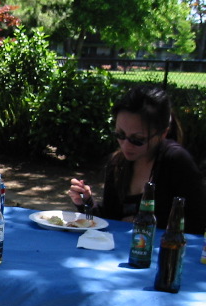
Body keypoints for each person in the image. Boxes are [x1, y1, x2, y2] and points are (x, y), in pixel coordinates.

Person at [69, 84, 206, 234]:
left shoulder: (177, 163)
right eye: (120, 134)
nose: (126, 145)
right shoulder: (117, 164)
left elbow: (195, 228)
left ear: (163, 133)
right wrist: (87, 203)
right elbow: (110, 224)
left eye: (138, 139)